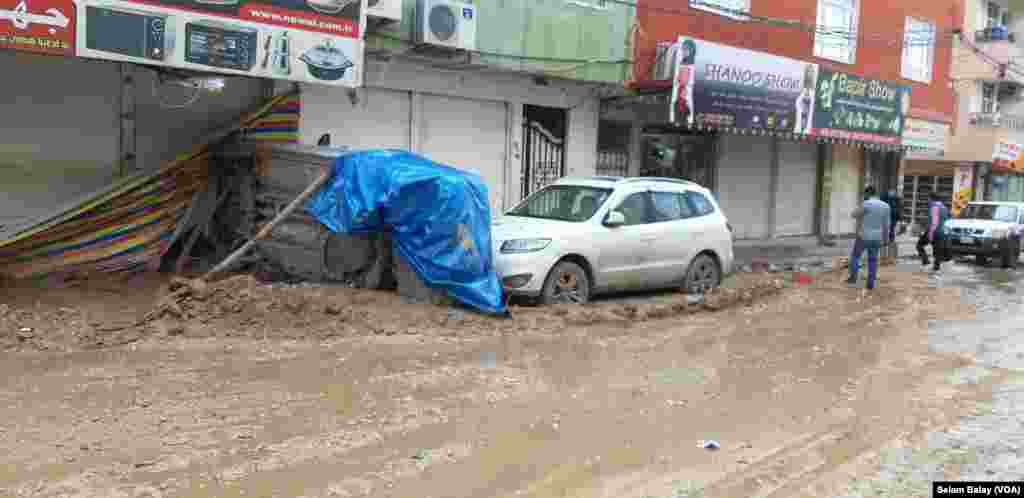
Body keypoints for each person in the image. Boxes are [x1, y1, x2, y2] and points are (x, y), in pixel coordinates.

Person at [848, 186, 891, 290]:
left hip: (863, 236)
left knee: (855, 256)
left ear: (867, 194)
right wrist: (886, 239)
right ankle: (870, 283)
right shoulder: (885, 206)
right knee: (873, 260)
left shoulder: (866, 204)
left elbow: (853, 214)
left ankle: (853, 277)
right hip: (877, 237)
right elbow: (886, 225)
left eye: (864, 194)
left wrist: (862, 206)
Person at [917, 191, 951, 272]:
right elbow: (946, 220)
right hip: (942, 231)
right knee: (937, 250)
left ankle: (926, 261)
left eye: (928, 198)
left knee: (919, 245)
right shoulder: (944, 207)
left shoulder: (934, 207)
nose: (927, 200)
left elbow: (934, 223)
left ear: (931, 198)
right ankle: (936, 268)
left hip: (934, 231)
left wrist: (930, 234)